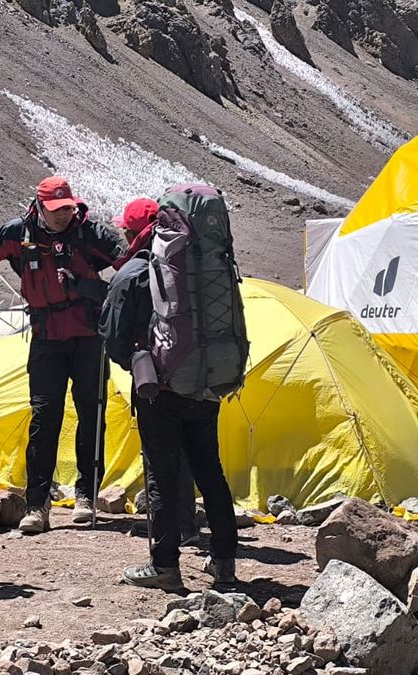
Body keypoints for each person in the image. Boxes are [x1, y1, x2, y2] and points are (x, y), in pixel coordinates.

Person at [0, 177, 124, 533]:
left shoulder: (89, 233)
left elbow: (131, 271)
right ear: (40, 207)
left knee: (91, 414)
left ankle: (86, 494)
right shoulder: (18, 233)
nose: (65, 214)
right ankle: (37, 504)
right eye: (57, 209)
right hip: (46, 336)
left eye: (68, 207)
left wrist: (90, 288)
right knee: (44, 417)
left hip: (89, 336)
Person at [100, 197, 238, 590]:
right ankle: (224, 564)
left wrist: (137, 359)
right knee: (209, 471)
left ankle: (165, 565)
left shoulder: (134, 272)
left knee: (161, 475)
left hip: (159, 390)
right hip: (206, 382)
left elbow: (113, 339)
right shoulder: (202, 265)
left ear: (131, 231)